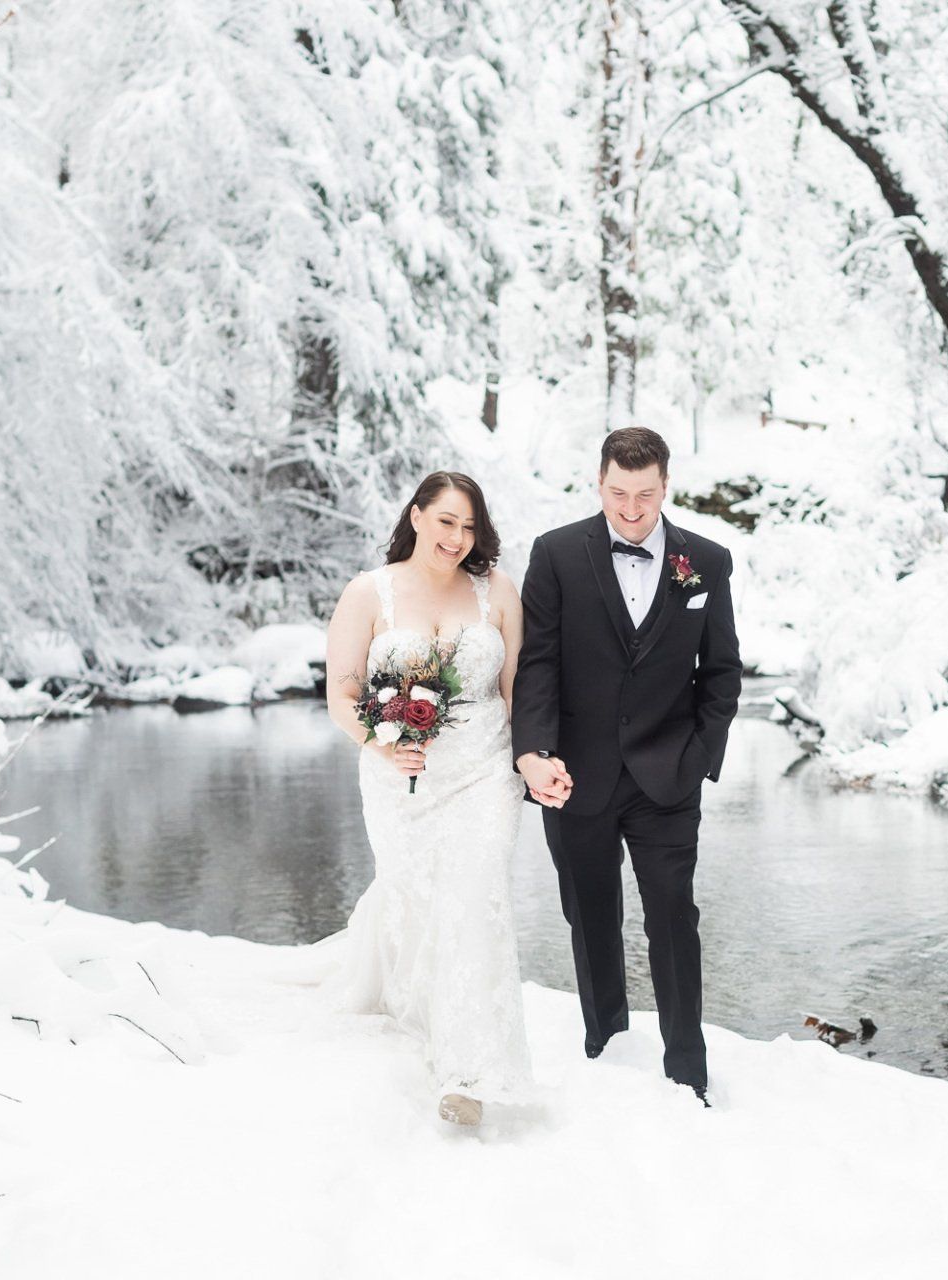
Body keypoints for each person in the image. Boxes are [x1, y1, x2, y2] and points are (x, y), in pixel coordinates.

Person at [511, 426, 742, 1105]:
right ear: (600, 483)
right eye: (618, 494)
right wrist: (535, 753)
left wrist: (698, 756)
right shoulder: (555, 554)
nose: (632, 510)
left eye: (645, 495)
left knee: (674, 917)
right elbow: (538, 666)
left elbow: (723, 672)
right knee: (591, 917)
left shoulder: (707, 561)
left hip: (667, 778)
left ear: (666, 486)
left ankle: (688, 1074)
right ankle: (605, 1047)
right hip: (574, 776)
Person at [315, 471, 534, 1127]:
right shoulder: (368, 593)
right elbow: (340, 695)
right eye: (446, 521)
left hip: (486, 771)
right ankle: (417, 1003)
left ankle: (465, 1072)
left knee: (474, 896)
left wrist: (535, 759)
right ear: (416, 517)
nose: (458, 538)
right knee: (420, 900)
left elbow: (519, 690)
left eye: (469, 526)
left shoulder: (496, 592)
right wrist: (382, 741)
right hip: (399, 779)